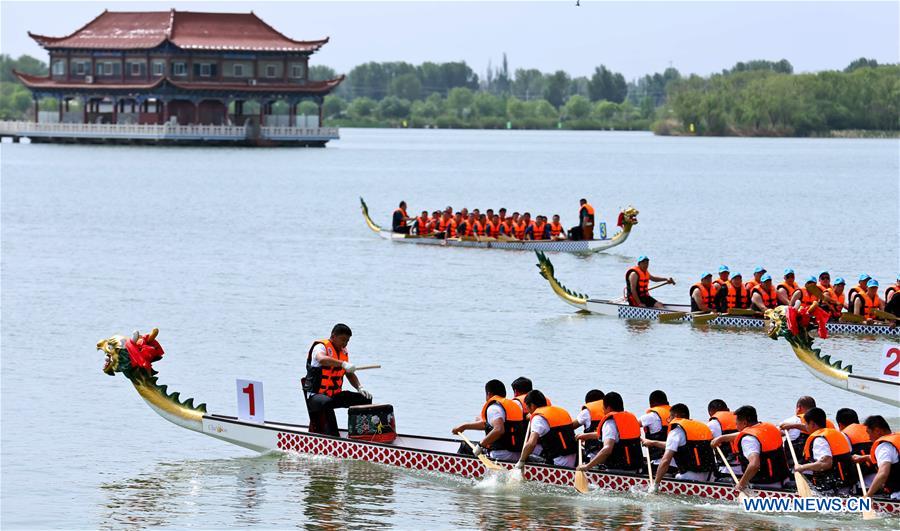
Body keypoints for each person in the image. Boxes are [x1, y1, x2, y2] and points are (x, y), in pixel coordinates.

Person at [304, 324, 373, 436]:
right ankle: (332, 436)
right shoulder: (320, 347)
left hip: (334, 395)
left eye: (347, 341)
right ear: (333, 336)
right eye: (343, 340)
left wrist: (360, 387)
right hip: (315, 396)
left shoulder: (343, 353)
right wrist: (343, 364)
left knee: (365, 398)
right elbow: (321, 359)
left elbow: (349, 374)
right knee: (327, 402)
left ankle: (361, 433)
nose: (345, 343)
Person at [711, 405, 789, 491]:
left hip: (765, 485)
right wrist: (722, 438)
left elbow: (754, 465)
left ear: (744, 423)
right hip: (783, 480)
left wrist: (741, 484)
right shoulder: (770, 428)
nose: (736, 427)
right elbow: (751, 434)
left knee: (720, 480)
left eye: (736, 424)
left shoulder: (748, 440)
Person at [644, 403, 715, 490]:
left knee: (673, 476)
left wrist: (655, 485)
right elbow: (675, 445)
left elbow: (665, 461)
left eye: (670, 417)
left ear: (676, 416)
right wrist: (653, 443)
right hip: (710, 477)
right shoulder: (702, 428)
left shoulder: (676, 432)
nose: (669, 420)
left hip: (689, 477)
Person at [451, 379, 525, 462]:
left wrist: (480, 445)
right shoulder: (512, 406)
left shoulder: (493, 408)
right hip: (517, 454)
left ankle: (459, 469)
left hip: (500, 455)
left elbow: (499, 430)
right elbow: (486, 425)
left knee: (465, 446)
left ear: (489, 394)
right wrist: (464, 426)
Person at [576, 391, 644, 473]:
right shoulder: (630, 419)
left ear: (608, 408)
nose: (603, 411)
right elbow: (611, 435)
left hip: (617, 471)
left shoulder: (610, 423)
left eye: (603, 408)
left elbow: (607, 449)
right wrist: (586, 436)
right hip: (635, 469)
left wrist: (588, 466)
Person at [795, 407, 854, 492]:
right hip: (847, 484)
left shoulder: (819, 440)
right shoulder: (840, 434)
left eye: (806, 424)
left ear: (812, 424)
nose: (806, 427)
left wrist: (802, 467)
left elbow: (826, 463)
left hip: (832, 489)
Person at [515, 390, 578, 469]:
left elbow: (531, 443)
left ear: (532, 405)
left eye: (527, 407)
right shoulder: (562, 411)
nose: (527, 410)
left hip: (558, 463)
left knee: (526, 456)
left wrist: (521, 461)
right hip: (573, 458)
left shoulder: (538, 418)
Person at [853, 415, 899, 500]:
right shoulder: (897, 440)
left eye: (869, 433)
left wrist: (868, 496)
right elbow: (894, 460)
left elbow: (883, 474)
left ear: (877, 431)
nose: (869, 437)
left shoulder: (884, 447)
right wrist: (864, 458)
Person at [779, 395, 835, 462]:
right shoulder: (828, 423)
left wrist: (792, 426)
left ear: (799, 407)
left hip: (799, 465)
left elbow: (775, 433)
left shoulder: (793, 420)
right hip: (823, 464)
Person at [837, 407, 874, 475]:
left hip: (863, 476)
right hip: (880, 469)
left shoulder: (843, 435)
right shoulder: (870, 430)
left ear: (840, 425)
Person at [573, 389, 605, 458]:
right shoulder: (612, 411)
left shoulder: (587, 411)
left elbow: (570, 427)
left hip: (593, 454)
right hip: (612, 452)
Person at [642, 389, 671, 460]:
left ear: (651, 404)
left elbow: (632, 425)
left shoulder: (651, 416)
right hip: (677, 460)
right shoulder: (676, 415)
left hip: (658, 459)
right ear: (667, 403)